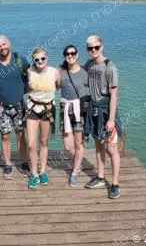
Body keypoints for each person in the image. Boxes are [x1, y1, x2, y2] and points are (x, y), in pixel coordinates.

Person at [83, 34, 122, 199]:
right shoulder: (89, 65)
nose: (93, 50)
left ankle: (115, 184)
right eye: (90, 48)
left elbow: (114, 95)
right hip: (94, 111)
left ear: (102, 47)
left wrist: (111, 119)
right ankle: (100, 176)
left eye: (96, 47)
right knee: (99, 145)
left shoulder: (110, 67)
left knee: (111, 148)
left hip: (106, 111)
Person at [0, 35, 30, 179]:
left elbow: (32, 75)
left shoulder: (20, 60)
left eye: (4, 44)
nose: (2, 47)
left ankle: (24, 162)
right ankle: (8, 165)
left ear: (9, 44)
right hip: (1, 106)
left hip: (19, 105)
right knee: (5, 136)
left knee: (20, 135)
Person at [25, 47, 60, 189]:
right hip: (32, 109)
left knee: (44, 142)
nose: (40, 61)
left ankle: (43, 171)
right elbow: (26, 87)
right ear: (33, 61)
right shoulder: (29, 72)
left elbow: (57, 87)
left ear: (47, 58)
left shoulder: (55, 72)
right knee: (31, 144)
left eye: (42, 58)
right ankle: (33, 174)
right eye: (37, 59)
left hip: (47, 110)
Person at [58, 44, 89, 188]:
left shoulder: (85, 71)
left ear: (77, 55)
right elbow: (46, 78)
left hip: (80, 111)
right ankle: (77, 163)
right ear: (64, 56)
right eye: (67, 54)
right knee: (68, 147)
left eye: (73, 53)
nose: (70, 56)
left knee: (78, 144)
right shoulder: (60, 70)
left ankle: (75, 173)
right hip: (65, 110)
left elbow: (94, 88)